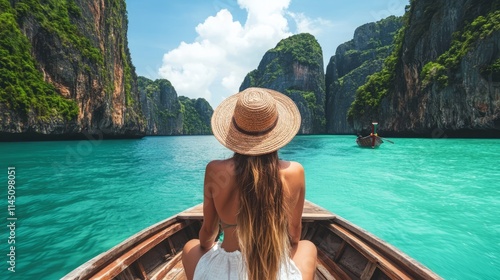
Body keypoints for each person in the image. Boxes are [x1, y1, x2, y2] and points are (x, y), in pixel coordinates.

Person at [182, 87, 317, 280]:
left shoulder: (215, 170)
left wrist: (207, 245)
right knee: (308, 247)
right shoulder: (295, 171)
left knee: (190, 247)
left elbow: (209, 233)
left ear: (234, 130)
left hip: (227, 272)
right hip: (271, 268)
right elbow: (294, 235)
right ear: (277, 131)